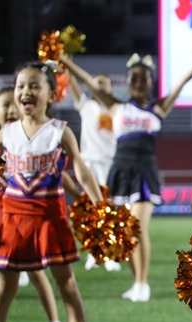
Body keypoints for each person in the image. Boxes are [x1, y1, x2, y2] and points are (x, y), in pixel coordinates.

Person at [61, 53, 192, 302]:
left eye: (144, 78)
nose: (139, 82)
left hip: (144, 171)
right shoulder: (116, 106)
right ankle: (136, 283)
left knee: (137, 228)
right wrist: (66, 63)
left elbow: (182, 82)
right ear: (127, 81)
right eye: (134, 78)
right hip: (120, 170)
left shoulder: (158, 108)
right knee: (124, 232)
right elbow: (89, 82)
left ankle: (142, 283)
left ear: (151, 82)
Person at [0, 61, 103, 322]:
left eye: (34, 86)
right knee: (4, 288)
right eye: (21, 86)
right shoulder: (6, 133)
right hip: (13, 219)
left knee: (67, 285)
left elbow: (81, 170)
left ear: (51, 94)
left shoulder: (59, 130)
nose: (26, 92)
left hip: (49, 217)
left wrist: (101, 207)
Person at [0, 87, 69, 322]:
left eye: (12, 105)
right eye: (4, 105)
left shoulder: (26, 142)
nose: (10, 110)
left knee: (35, 270)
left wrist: (82, 197)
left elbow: (59, 174)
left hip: (18, 216)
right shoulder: (4, 139)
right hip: (2, 213)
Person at [67, 72, 121, 272]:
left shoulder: (117, 108)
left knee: (110, 210)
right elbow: (72, 82)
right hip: (89, 163)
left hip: (110, 162)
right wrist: (66, 63)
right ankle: (94, 252)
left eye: (104, 84)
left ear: (110, 88)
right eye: (97, 83)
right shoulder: (86, 105)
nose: (100, 86)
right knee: (91, 211)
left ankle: (112, 253)